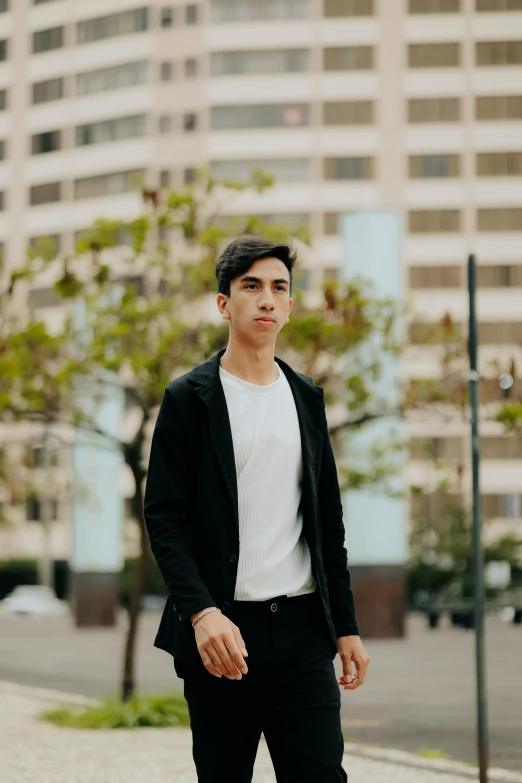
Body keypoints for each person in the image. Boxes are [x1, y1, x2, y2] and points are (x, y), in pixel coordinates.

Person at [144, 235, 370, 783]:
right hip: (224, 635)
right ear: (225, 303)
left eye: (279, 288)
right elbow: (164, 521)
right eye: (251, 286)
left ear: (290, 306)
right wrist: (201, 613)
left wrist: (345, 625)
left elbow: (327, 522)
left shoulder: (306, 397)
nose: (267, 299)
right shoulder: (188, 399)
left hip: (302, 630)